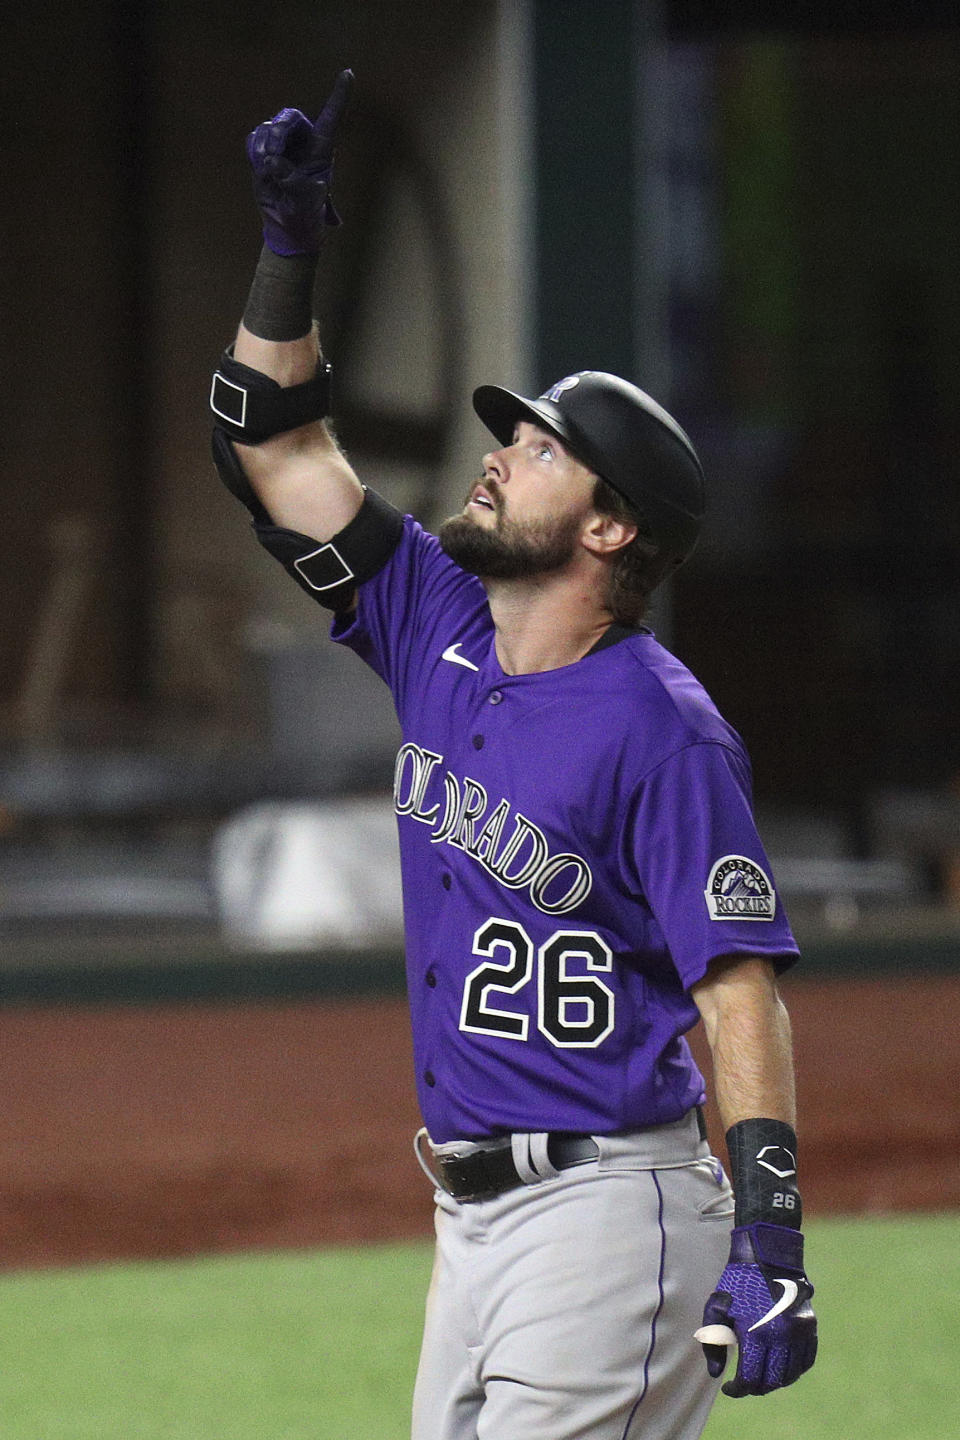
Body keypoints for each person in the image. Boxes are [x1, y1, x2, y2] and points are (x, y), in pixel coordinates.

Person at [210, 70, 817, 1440]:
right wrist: (291, 251)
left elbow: (735, 990)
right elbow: (271, 441)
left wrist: (771, 1237)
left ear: (611, 530)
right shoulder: (434, 619)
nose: (497, 459)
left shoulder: (664, 728)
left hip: (613, 1211)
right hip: (471, 1228)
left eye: (539, 451)